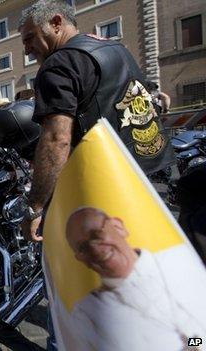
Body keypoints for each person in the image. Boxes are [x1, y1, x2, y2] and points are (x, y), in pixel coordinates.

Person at [18, 0, 174, 243]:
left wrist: (35, 208)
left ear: (56, 23)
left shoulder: (58, 65)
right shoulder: (116, 48)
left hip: (109, 187)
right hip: (151, 173)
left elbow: (56, 140)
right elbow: (151, 96)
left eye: (29, 38)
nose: (26, 49)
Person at [64, 207, 206, 351]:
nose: (95, 249)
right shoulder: (85, 313)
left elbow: (200, 337)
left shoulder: (177, 262)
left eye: (96, 235)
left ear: (118, 227)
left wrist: (194, 344)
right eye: (83, 248)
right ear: (81, 259)